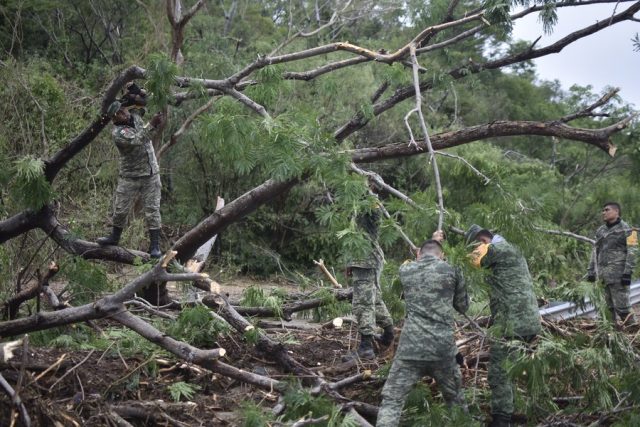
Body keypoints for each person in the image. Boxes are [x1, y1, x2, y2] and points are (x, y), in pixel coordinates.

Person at [376, 239, 468, 427]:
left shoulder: (406, 271)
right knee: (456, 401)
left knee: (392, 400)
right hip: (442, 349)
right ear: (442, 255)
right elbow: (462, 306)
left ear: (418, 254)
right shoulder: (452, 270)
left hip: (410, 349)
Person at [465, 224, 541, 427]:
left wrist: (435, 249)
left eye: (475, 246)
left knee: (499, 373)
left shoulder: (496, 250)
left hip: (512, 323)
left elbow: (470, 263)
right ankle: (515, 411)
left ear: (482, 241)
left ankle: (501, 420)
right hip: (528, 320)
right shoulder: (512, 247)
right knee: (513, 368)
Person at [97, 87, 163, 259]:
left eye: (123, 110)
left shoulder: (135, 115)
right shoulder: (118, 133)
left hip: (150, 173)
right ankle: (114, 237)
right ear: (114, 118)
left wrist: (139, 91)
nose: (123, 114)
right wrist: (153, 123)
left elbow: (145, 101)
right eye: (118, 113)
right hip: (130, 176)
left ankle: (154, 246)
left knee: (152, 210)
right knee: (120, 209)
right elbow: (139, 139)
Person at [345, 193, 394, 360]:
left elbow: (371, 221)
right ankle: (389, 334)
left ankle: (366, 347)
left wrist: (367, 194)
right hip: (363, 260)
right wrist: (350, 262)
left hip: (367, 260)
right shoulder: (360, 203)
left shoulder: (371, 203)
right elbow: (356, 235)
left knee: (363, 304)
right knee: (374, 299)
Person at [587, 201, 638, 325]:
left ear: (616, 211)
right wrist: (591, 271)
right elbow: (595, 250)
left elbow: (633, 251)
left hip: (618, 276)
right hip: (602, 277)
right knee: (606, 310)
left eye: (607, 210)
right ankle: (611, 337)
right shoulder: (600, 231)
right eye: (603, 210)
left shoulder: (629, 230)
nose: (603, 212)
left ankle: (635, 332)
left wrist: (627, 273)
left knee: (623, 308)